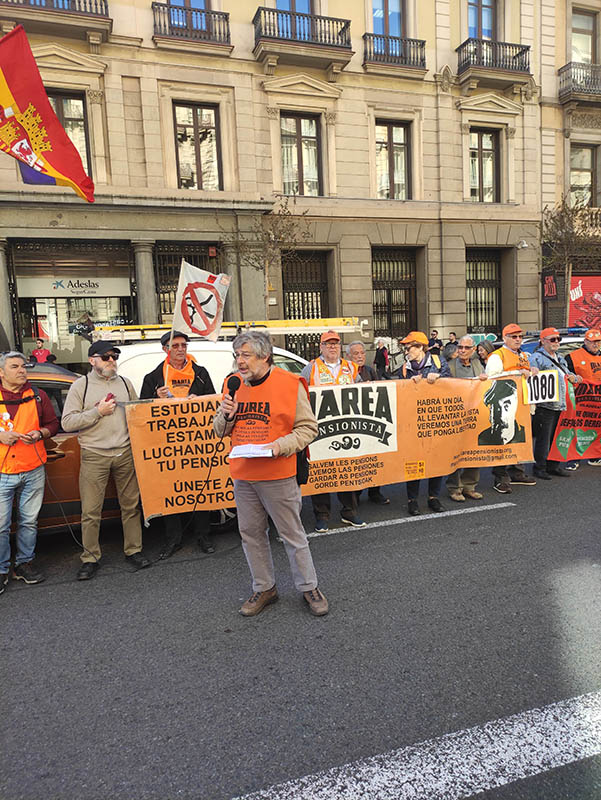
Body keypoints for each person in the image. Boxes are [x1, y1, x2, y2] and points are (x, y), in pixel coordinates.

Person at [213, 331, 328, 617]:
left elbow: (308, 429)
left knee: (292, 535)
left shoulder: (290, 384)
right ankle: (264, 587)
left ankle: (308, 587)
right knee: (251, 534)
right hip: (244, 474)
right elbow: (218, 430)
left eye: (245, 355)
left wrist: (279, 446)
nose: (239, 361)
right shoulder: (233, 385)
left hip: (278, 473)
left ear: (264, 356)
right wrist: (227, 413)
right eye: (237, 355)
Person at [62, 341, 151, 580]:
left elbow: (137, 413)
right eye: (106, 357)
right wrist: (96, 413)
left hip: (124, 453)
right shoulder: (81, 386)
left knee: (131, 507)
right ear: (93, 360)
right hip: (94, 455)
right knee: (91, 511)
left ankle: (134, 550)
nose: (112, 361)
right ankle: (90, 558)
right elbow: (67, 422)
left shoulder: (124, 383)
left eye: (114, 357)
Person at [140, 330, 216, 558]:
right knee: (171, 491)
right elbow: (142, 412)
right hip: (169, 446)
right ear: (165, 349)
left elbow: (212, 401)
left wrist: (199, 400)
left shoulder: (200, 373)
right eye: (175, 346)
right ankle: (173, 539)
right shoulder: (154, 377)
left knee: (201, 490)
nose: (181, 349)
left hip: (196, 445)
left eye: (184, 345)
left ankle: (203, 536)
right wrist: (156, 399)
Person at [0, 351, 59, 590]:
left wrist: (40, 433)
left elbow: (53, 425)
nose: (22, 370)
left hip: (33, 469)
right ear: (1, 372)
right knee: (0, 526)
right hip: (3, 471)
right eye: (15, 366)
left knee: (29, 522)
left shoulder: (37, 395)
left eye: (23, 366)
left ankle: (24, 564)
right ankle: (2, 569)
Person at [301, 331, 366, 530]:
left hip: (346, 426)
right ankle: (322, 515)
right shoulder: (311, 368)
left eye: (335, 344)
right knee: (321, 472)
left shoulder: (350, 367)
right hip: (320, 429)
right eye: (328, 344)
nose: (332, 347)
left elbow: (363, 390)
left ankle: (349, 511)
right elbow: (300, 392)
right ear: (320, 347)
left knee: (346, 470)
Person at [395, 331, 450, 516]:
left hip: (435, 419)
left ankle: (433, 497)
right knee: (414, 461)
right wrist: (409, 384)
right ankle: (412, 500)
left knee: (437, 459)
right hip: (413, 422)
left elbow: (452, 386)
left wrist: (438, 379)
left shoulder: (438, 361)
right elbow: (400, 392)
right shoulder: (405, 367)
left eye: (409, 347)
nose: (406, 350)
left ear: (420, 347)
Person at [485, 323, 538, 493]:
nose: (518, 339)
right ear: (505, 338)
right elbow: (492, 380)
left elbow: (527, 378)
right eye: (513, 336)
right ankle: (500, 478)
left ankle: (517, 472)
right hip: (505, 405)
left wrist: (532, 371)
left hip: (523, 403)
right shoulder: (497, 355)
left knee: (520, 438)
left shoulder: (523, 355)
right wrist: (517, 374)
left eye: (520, 336)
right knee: (503, 440)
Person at [528, 328, 582, 479]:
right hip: (546, 406)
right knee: (544, 438)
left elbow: (566, 373)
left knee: (556, 437)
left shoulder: (559, 357)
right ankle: (540, 468)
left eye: (558, 339)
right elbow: (532, 377)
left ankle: (553, 465)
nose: (556, 342)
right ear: (543, 341)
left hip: (562, 404)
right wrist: (531, 370)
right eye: (553, 339)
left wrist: (574, 377)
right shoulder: (536, 358)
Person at [346, 341, 389, 506]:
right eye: (355, 353)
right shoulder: (345, 372)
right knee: (355, 460)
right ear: (348, 356)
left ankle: (375, 492)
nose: (359, 356)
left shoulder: (370, 371)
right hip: (352, 423)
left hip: (370, 420)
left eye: (362, 353)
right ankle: (354, 494)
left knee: (373, 456)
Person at [446, 336, 487, 502]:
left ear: (473, 349)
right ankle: (455, 488)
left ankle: (470, 485)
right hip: (456, 416)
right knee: (456, 453)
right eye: (460, 347)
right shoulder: (449, 366)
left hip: (475, 415)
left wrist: (485, 379)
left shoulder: (478, 365)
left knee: (473, 451)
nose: (462, 350)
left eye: (466, 348)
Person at [565, 328, 601, 467]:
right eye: (592, 342)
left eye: (598, 342)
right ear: (585, 341)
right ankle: (573, 459)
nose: (595, 345)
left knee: (596, 429)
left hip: (597, 402)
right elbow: (567, 376)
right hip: (580, 401)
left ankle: (595, 456)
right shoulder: (573, 357)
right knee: (576, 430)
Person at [478, 380, 525, 445]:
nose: (501, 417)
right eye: (496, 407)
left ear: (515, 406)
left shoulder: (525, 436)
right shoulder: (482, 439)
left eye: (506, 406)